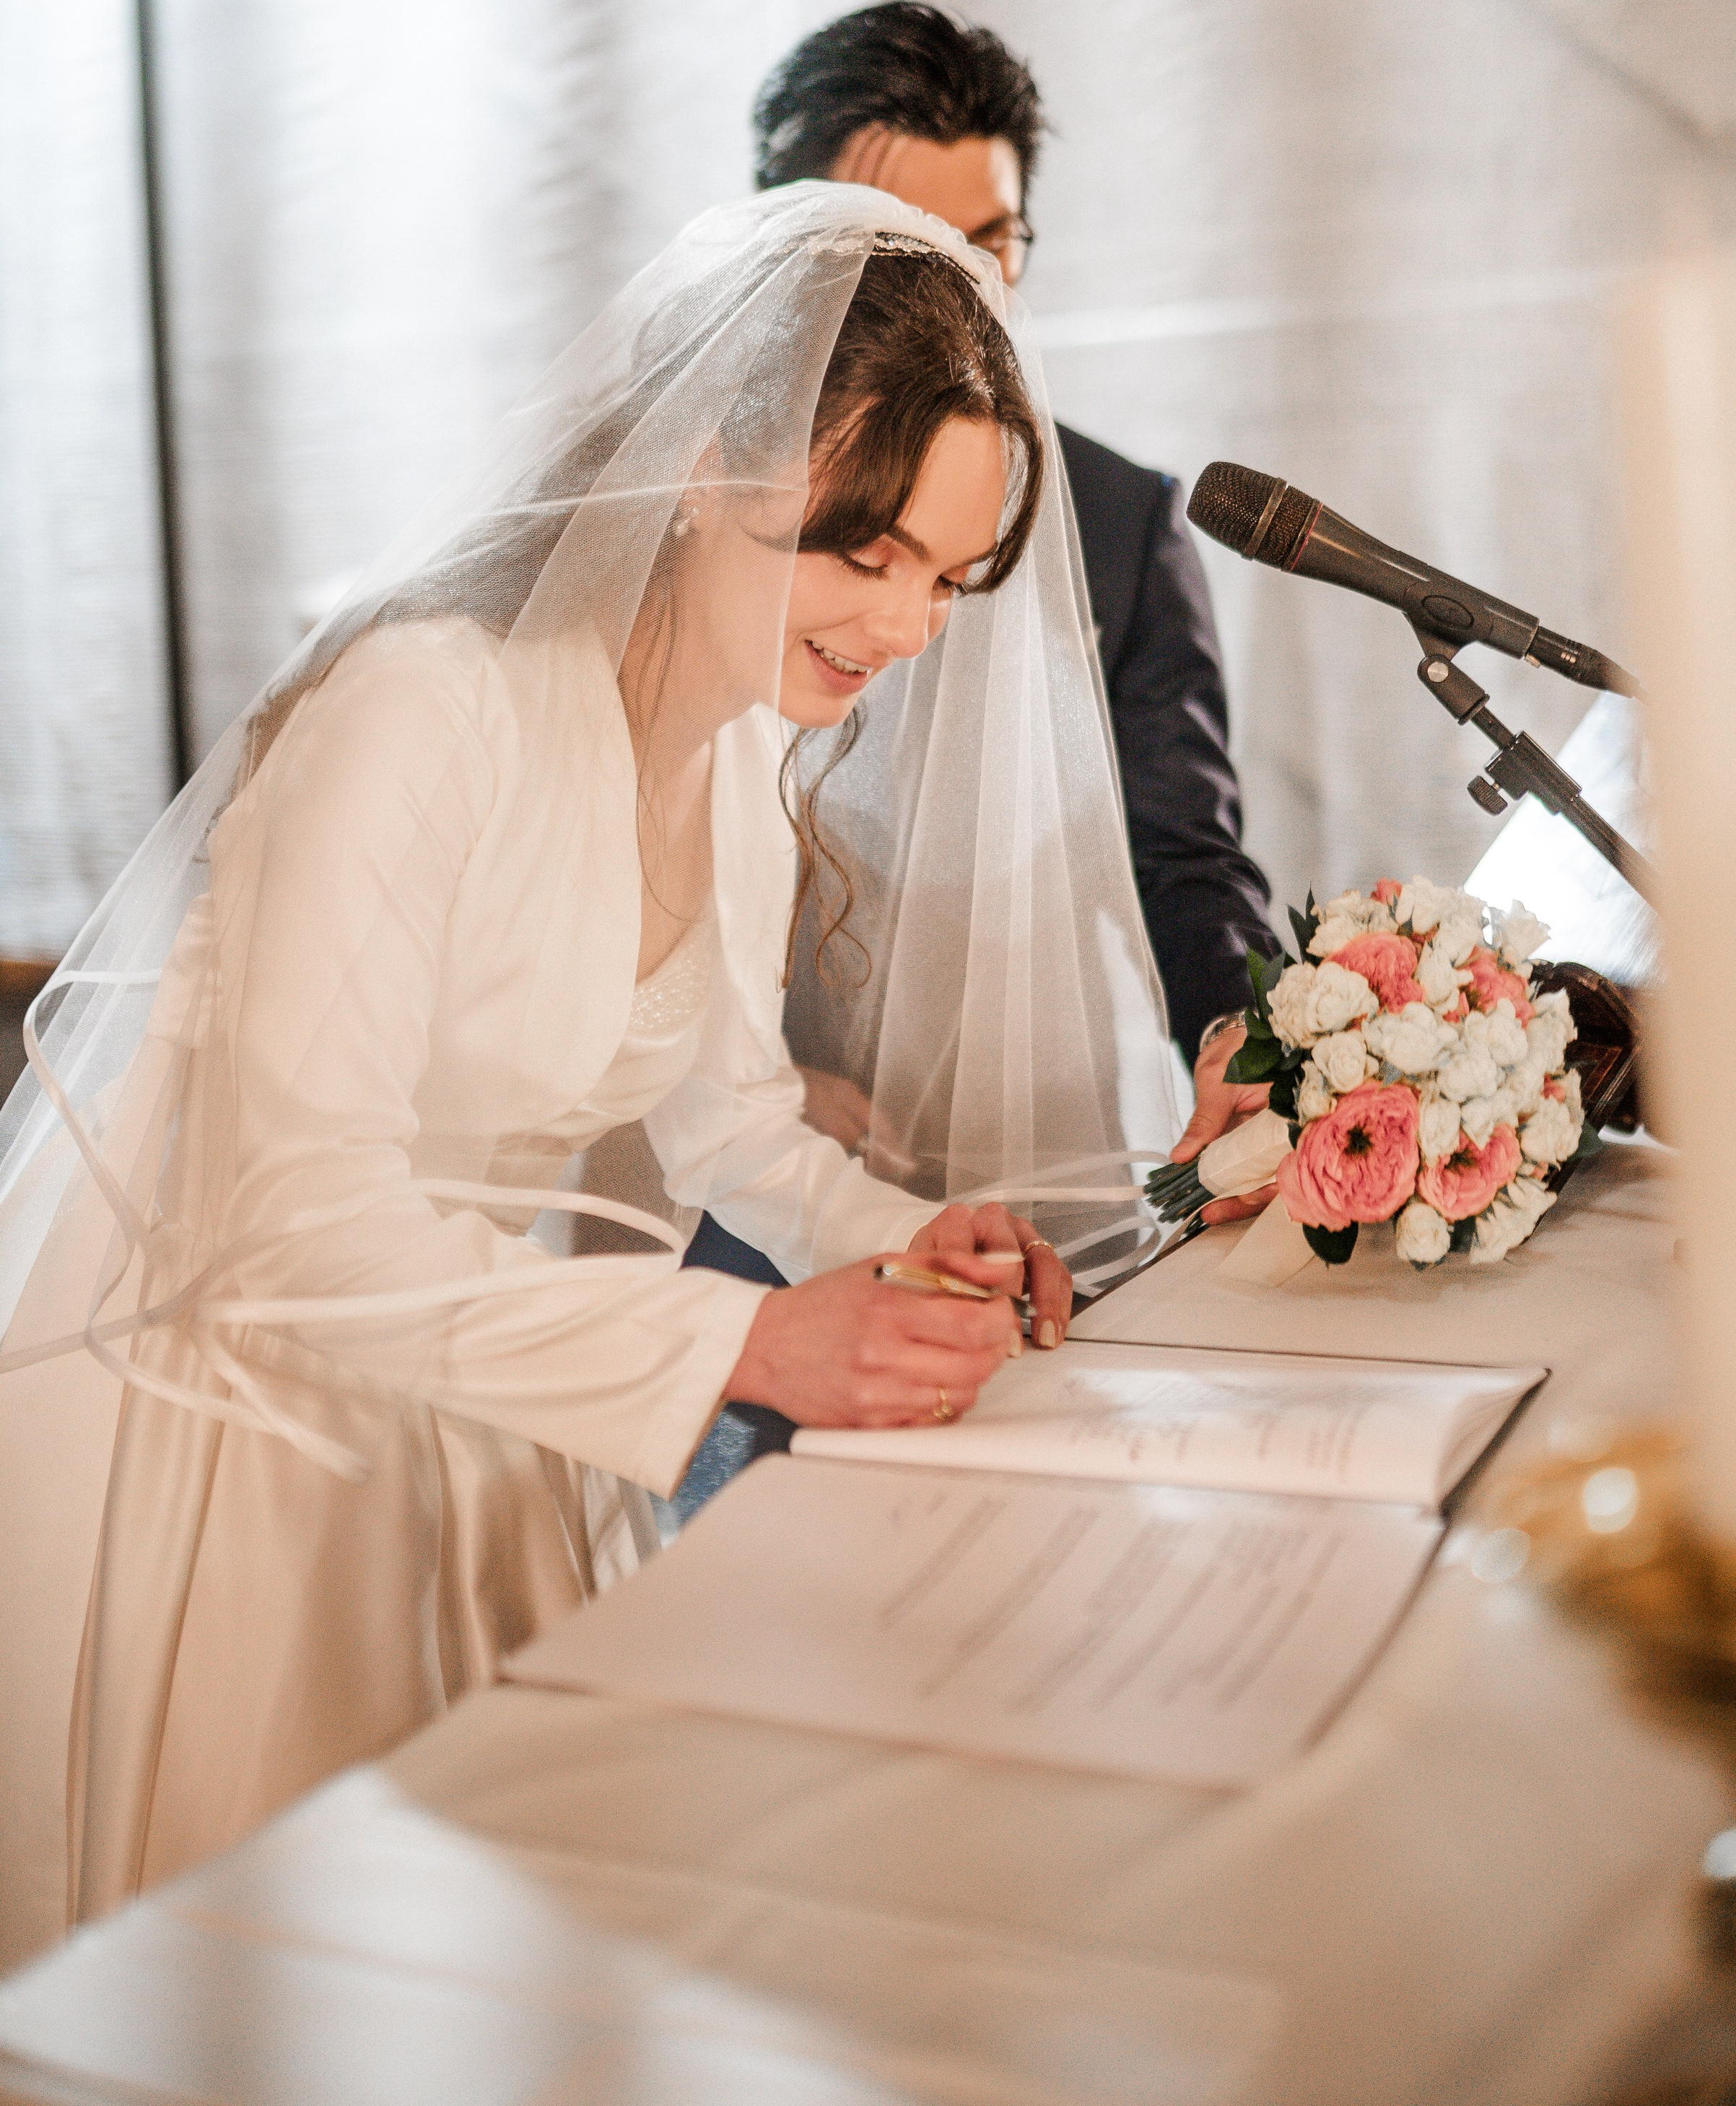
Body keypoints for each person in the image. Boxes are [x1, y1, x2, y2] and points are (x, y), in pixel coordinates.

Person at [0, 188, 1182, 1965]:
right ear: (706, 471)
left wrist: (907, 1236)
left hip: (477, 1396)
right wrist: (745, 1344)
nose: (906, 629)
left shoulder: (735, 753)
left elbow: (732, 1125)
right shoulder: (425, 706)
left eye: (946, 578)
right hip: (228, 1424)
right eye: (863, 554)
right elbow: (291, 1223)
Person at [751, 4, 1278, 1076]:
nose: (965, 286)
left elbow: (1184, 859)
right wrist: (751, 1089)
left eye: (992, 242)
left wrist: (1245, 1040)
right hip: (737, 1117)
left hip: (1026, 1101)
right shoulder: (712, 487)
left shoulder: (1122, 520)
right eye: (909, 240)